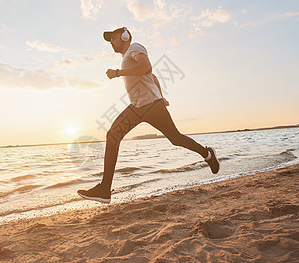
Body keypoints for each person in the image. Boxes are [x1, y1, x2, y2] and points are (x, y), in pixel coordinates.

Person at [77, 27, 219, 204]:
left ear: (124, 36)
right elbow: (153, 76)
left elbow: (146, 67)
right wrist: (162, 94)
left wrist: (117, 73)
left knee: (175, 138)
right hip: (138, 107)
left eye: (113, 38)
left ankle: (207, 154)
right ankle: (105, 190)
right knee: (113, 136)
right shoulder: (126, 58)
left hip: (151, 106)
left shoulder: (135, 47)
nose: (111, 42)